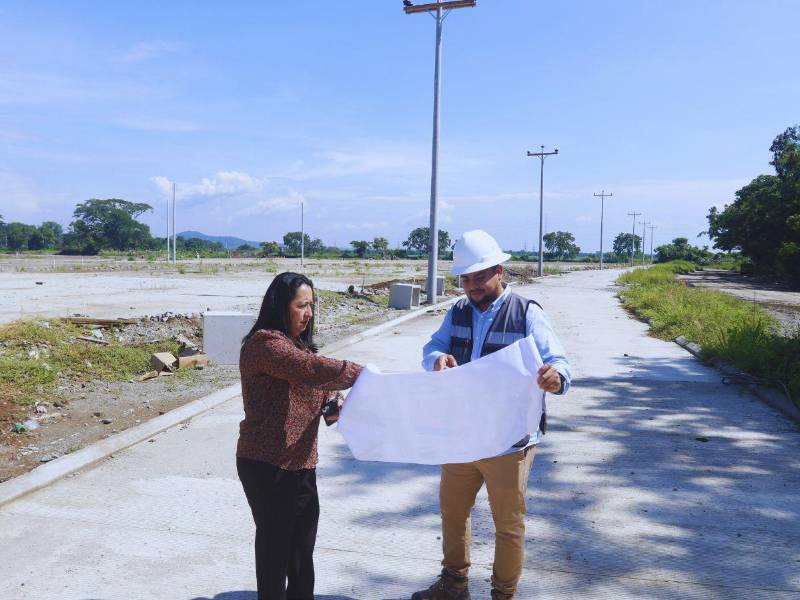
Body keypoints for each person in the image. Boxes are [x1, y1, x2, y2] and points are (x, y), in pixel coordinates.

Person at [412, 230, 572, 600]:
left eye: (480, 276)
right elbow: (433, 345)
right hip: (461, 435)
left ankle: (503, 595)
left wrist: (554, 377)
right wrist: (437, 358)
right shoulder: (458, 312)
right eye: (466, 278)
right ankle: (454, 584)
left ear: (500, 270)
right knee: (453, 515)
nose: (472, 285)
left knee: (508, 526)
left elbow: (560, 363)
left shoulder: (527, 313)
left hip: (508, 441)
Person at [237, 272, 363, 600]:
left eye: (311, 306)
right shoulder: (266, 344)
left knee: (301, 551)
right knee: (275, 551)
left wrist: (332, 400)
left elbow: (316, 385)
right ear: (281, 306)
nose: (308, 314)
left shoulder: (298, 345)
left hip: (302, 463)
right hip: (268, 465)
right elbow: (310, 370)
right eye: (300, 306)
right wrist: (364, 376)